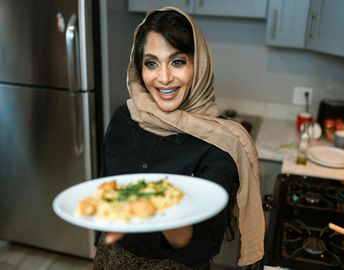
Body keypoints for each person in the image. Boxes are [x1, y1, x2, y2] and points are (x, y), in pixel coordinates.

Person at [93, 6, 264, 270]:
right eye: (151, 63)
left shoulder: (221, 146)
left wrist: (171, 217)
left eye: (177, 61)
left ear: (199, 64)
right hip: (112, 259)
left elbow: (203, 246)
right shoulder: (124, 118)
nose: (163, 78)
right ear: (139, 68)